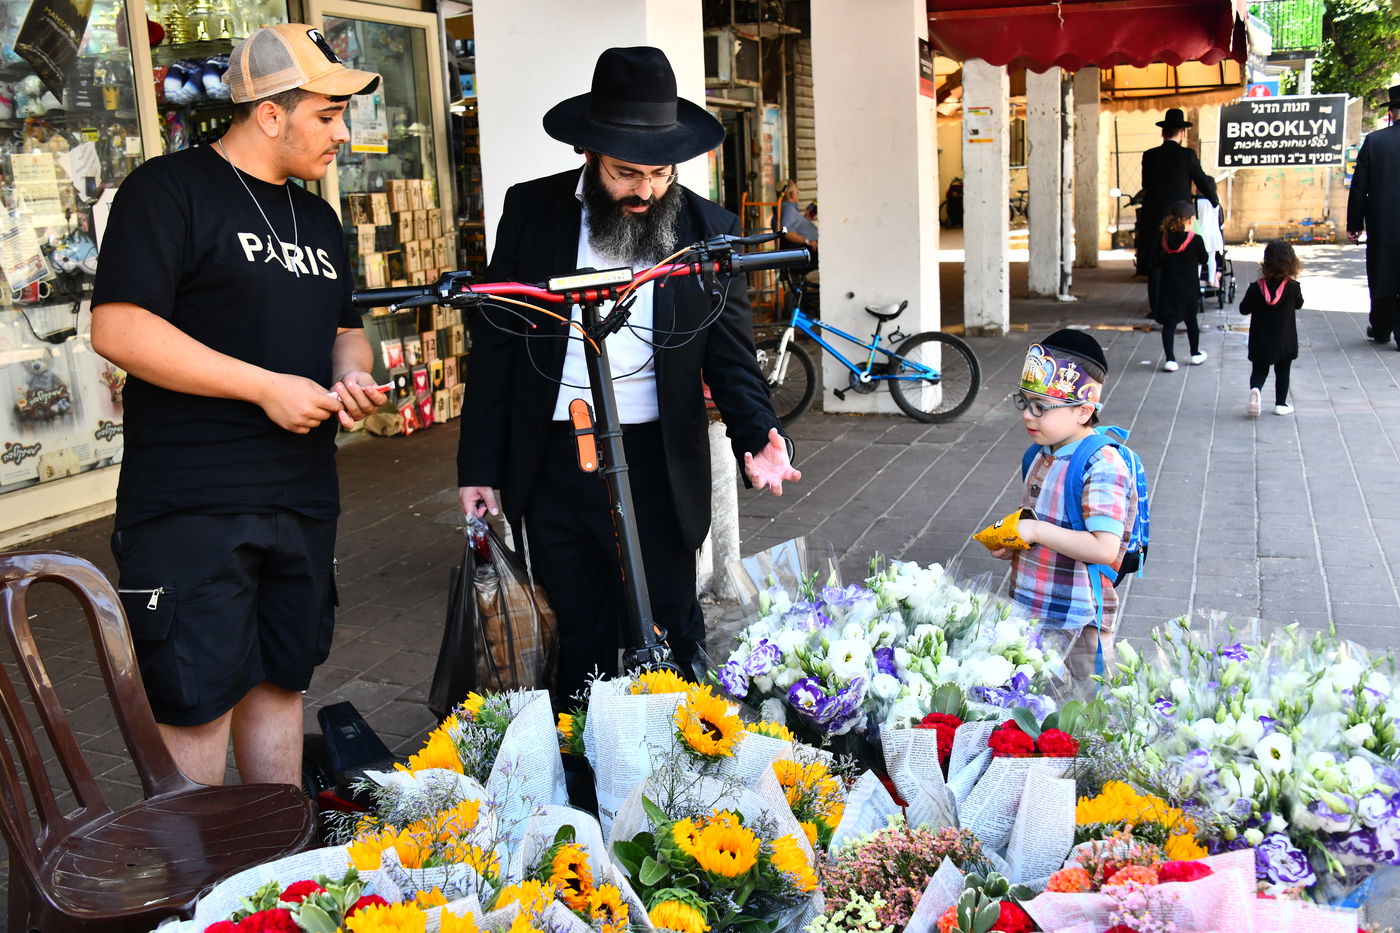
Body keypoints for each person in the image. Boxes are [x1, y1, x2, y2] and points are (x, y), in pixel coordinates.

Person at [457, 46, 800, 702]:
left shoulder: (707, 229)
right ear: (590, 156)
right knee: (579, 639)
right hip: (554, 462)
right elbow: (496, 346)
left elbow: (731, 358)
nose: (645, 190)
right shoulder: (531, 212)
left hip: (656, 463)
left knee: (669, 634)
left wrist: (759, 435)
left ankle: (682, 782)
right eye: (626, 173)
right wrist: (478, 464)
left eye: (661, 173)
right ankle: (586, 777)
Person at [89, 24, 384, 786]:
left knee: (283, 680)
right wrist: (263, 386)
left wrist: (352, 376)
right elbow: (118, 326)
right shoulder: (169, 190)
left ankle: (270, 889)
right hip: (193, 502)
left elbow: (345, 331)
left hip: (303, 495)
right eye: (327, 114)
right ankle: (195, 895)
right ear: (271, 113)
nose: (342, 133)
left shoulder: (319, 219)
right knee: (195, 701)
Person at [989, 330, 1138, 679]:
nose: (1028, 415)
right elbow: (1042, 519)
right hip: (1029, 606)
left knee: (1084, 712)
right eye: (1024, 402)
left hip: (1079, 619)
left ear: (1084, 411)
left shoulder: (1101, 464)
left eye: (1041, 407)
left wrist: (1035, 529)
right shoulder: (1041, 453)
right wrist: (1015, 541)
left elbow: (1104, 548)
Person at [1139, 108, 1217, 317]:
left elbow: (1145, 184)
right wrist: (1214, 201)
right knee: (1183, 259)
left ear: (1163, 133)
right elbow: (1201, 180)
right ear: (1182, 133)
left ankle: (1156, 308)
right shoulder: (1188, 155)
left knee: (1156, 261)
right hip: (1180, 217)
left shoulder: (1150, 155)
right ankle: (1183, 305)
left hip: (1154, 215)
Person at [1347, 85, 1400, 349]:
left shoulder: (1375, 142)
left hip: (1383, 225)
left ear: (1391, 112)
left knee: (1382, 275)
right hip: (1384, 224)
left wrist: (1354, 225)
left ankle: (1381, 328)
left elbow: (1359, 187)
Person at [1239, 241, 1303, 417]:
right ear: (1291, 263)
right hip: (1285, 340)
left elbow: (1243, 309)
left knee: (1259, 369)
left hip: (1261, 341)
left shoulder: (1255, 288)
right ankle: (1280, 404)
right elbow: (1299, 304)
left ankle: (1256, 390)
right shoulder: (1293, 287)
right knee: (1283, 371)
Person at [1153, 200, 1209, 372]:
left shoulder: (1163, 239)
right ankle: (1195, 353)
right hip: (1189, 290)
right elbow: (1204, 259)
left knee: (1169, 324)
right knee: (1191, 321)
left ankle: (1170, 359)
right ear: (1191, 220)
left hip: (1169, 289)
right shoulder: (1196, 240)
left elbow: (1155, 262)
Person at [778, 180, 819, 252]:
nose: (798, 192)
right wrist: (808, 241)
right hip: (809, 250)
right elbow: (786, 232)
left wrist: (807, 217)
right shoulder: (789, 210)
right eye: (796, 190)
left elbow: (794, 225)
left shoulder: (788, 209)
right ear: (791, 194)